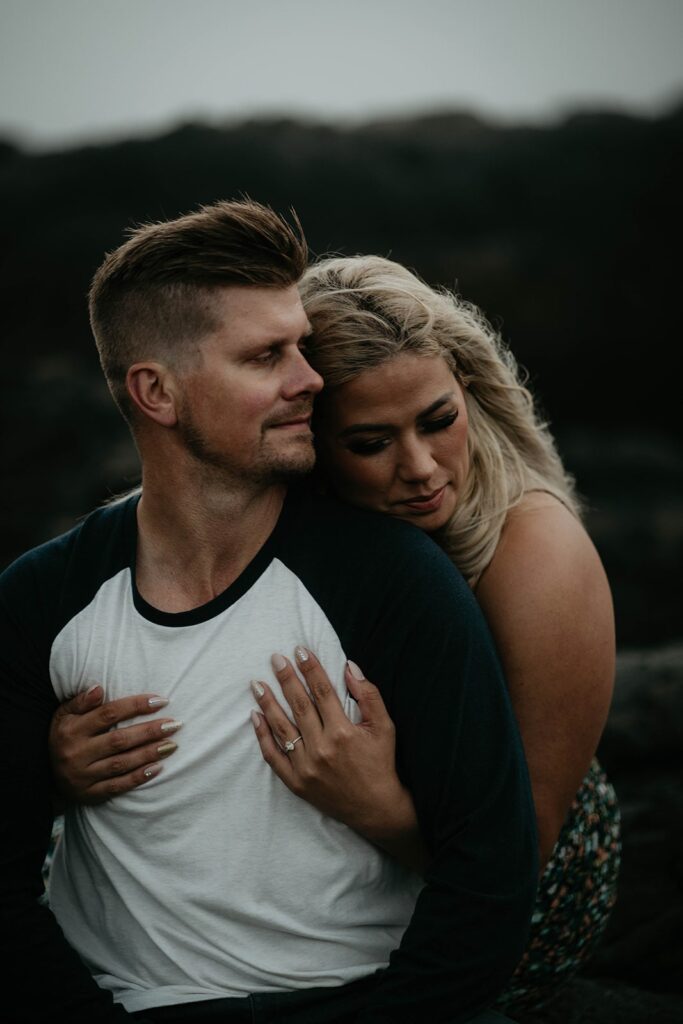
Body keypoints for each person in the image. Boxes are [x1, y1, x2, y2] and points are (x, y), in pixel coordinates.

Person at [0, 201, 537, 1024]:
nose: (310, 379)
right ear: (156, 392)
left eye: (301, 347)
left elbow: (490, 875)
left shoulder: (391, 578)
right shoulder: (43, 599)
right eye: (265, 357)